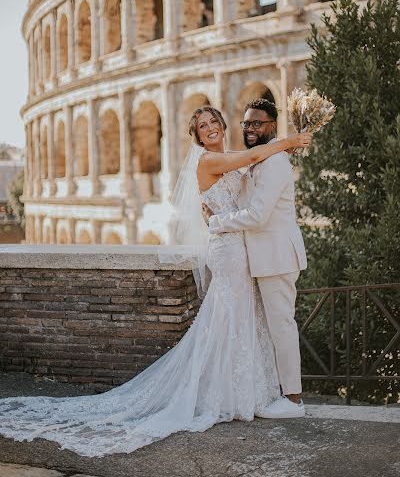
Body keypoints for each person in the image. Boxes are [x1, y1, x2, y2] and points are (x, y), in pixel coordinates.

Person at [0, 105, 311, 457]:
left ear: (224, 126)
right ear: (196, 135)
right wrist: (291, 141)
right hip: (228, 248)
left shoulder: (235, 157)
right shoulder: (210, 161)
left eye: (213, 122)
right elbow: (254, 161)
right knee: (232, 318)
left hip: (244, 247)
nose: (209, 128)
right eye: (202, 126)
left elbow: (255, 164)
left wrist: (282, 149)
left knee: (240, 318)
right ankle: (237, 395)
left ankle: (246, 392)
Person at [202, 98, 307, 418]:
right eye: (246, 123)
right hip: (263, 256)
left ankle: (293, 400)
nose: (249, 129)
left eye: (257, 123)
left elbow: (259, 215)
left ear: (272, 126)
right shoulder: (265, 158)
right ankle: (277, 392)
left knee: (281, 328)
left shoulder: (274, 162)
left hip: (276, 256)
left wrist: (216, 222)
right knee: (273, 327)